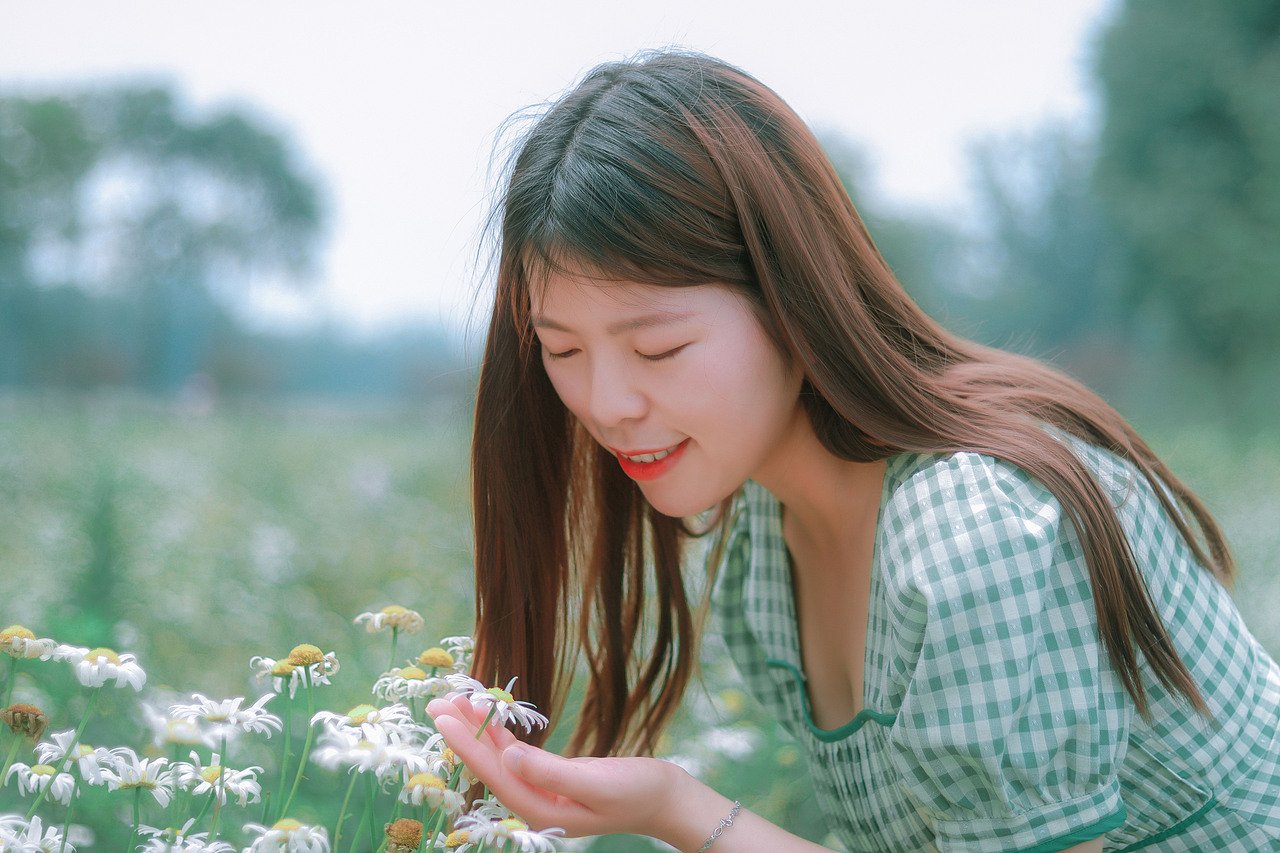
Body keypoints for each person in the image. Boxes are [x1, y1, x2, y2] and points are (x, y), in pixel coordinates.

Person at [428, 50, 1280, 853]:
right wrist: (669, 806)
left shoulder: (974, 536)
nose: (607, 404)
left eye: (659, 348)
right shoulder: (765, 544)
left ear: (792, 299)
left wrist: (685, 811)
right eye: (562, 350)